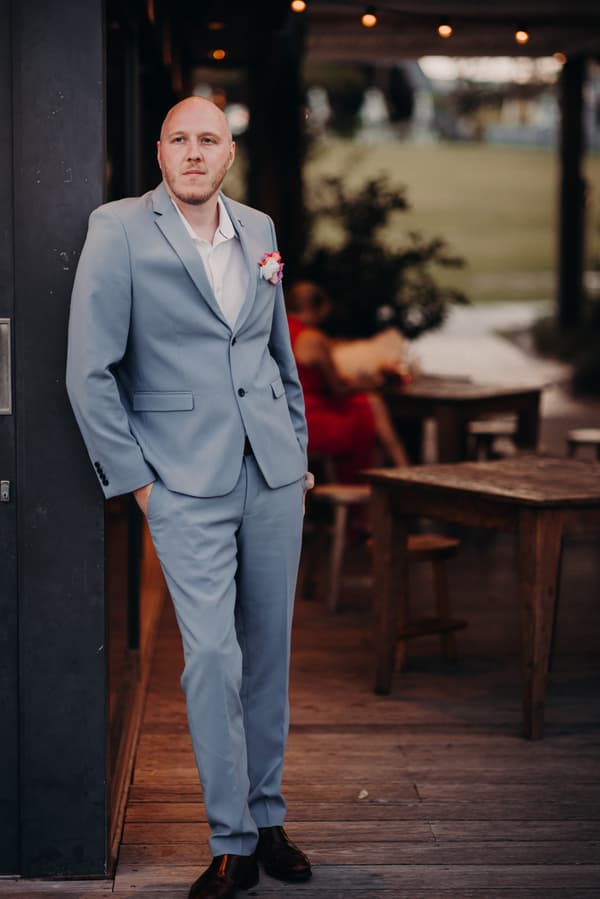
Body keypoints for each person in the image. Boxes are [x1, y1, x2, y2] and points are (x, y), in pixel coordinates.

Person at [66, 97, 313, 899]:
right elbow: (89, 371)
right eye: (180, 139)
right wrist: (136, 481)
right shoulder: (120, 229)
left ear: (229, 154)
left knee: (269, 650)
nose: (194, 152)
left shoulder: (262, 229)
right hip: (181, 480)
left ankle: (269, 815)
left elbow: (279, 353)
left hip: (272, 474)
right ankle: (231, 838)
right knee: (212, 656)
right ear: (162, 153)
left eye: (209, 139)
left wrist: (299, 451)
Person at [286, 281, 408, 482]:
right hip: (309, 420)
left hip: (285, 416)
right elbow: (338, 389)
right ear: (313, 308)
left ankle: (393, 477)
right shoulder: (313, 338)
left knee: (368, 407)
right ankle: (390, 480)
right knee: (369, 407)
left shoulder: (276, 332)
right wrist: (376, 383)